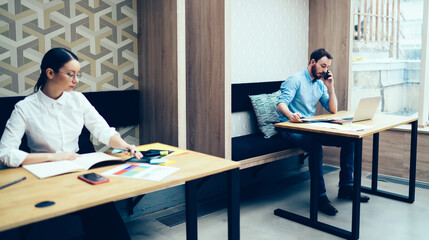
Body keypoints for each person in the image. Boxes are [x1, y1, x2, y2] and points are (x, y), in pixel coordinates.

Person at [0, 48, 143, 239]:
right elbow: (4, 152)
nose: (76, 80)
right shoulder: (25, 108)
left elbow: (102, 129)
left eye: (78, 75)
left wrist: (123, 145)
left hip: (78, 171)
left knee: (101, 206)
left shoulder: (78, 100)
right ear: (50, 73)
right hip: (44, 176)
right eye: (70, 75)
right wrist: (54, 157)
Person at [277, 48, 369, 216]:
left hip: (310, 126)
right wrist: (291, 115)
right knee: (315, 147)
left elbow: (332, 109)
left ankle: (346, 187)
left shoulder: (320, 84)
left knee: (349, 141)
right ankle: (319, 197)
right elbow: (281, 104)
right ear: (312, 62)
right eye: (323, 66)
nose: (325, 70)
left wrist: (330, 87)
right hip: (290, 127)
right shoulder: (295, 80)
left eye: (327, 67)